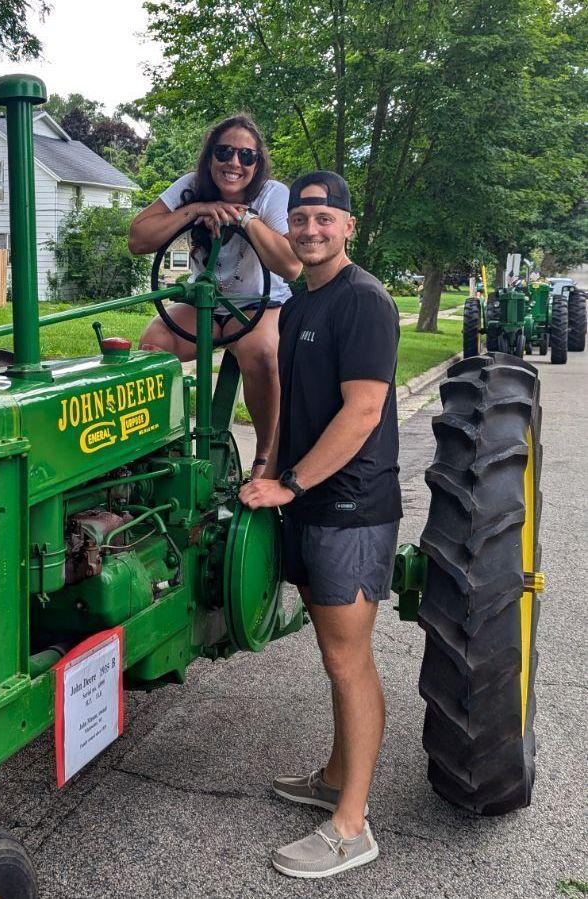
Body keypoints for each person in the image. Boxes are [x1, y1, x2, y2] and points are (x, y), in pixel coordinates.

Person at [238, 171, 401, 878]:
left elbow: (362, 412)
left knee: (347, 659)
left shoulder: (364, 301)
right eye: (300, 217)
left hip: (350, 507)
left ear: (349, 226)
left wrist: (293, 483)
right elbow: (292, 402)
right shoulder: (303, 302)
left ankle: (351, 825)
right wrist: (267, 466)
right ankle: (336, 776)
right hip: (310, 503)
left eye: (323, 218)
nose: (309, 228)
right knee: (334, 655)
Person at [128, 115, 301, 478]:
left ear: (257, 163)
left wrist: (246, 220)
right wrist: (194, 210)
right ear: (210, 157)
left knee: (264, 356)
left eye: (246, 156)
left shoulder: (272, 195)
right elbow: (138, 239)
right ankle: (161, 452)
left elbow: (291, 266)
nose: (234, 163)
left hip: (260, 305)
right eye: (224, 152)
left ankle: (266, 460)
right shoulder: (192, 187)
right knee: (153, 345)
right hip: (203, 303)